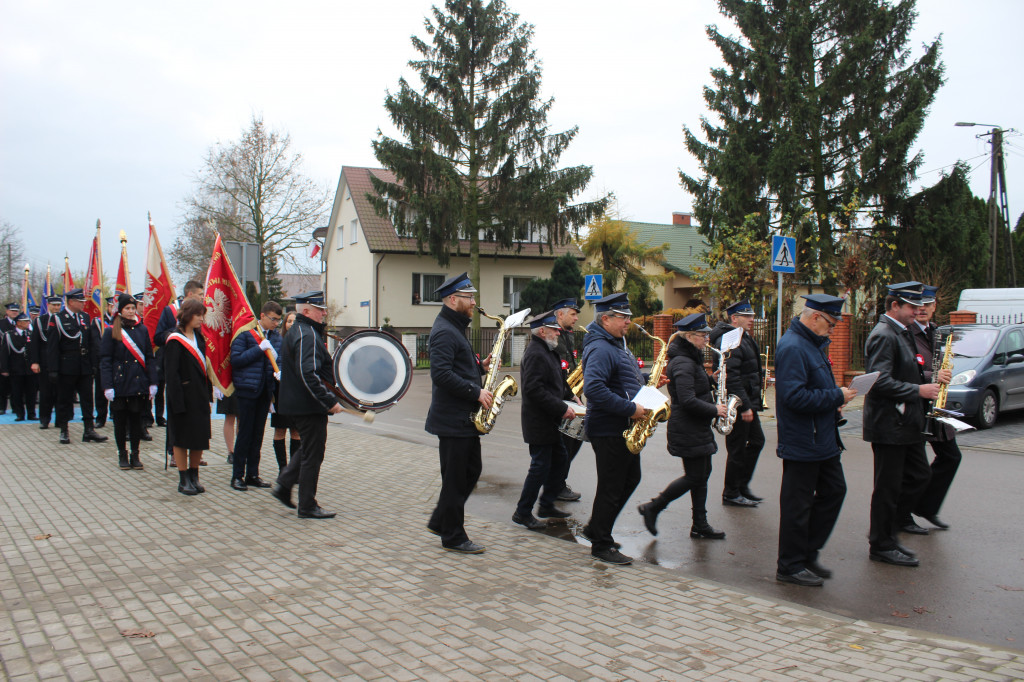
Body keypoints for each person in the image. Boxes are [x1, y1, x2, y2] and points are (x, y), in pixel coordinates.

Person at [864, 281, 950, 567]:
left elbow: (910, 369)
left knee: (919, 476)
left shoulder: (901, 332)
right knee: (887, 487)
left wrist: (930, 380)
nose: (919, 310)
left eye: (920, 305)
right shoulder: (884, 334)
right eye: (912, 306)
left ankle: (893, 529)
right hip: (889, 424)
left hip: (906, 422)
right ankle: (882, 543)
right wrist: (918, 391)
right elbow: (879, 381)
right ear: (894, 306)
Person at [774, 295, 858, 586]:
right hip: (803, 440)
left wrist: (833, 401)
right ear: (815, 318)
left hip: (821, 437)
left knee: (835, 491)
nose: (833, 330)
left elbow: (814, 388)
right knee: (797, 506)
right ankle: (790, 565)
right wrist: (836, 396)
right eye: (831, 324)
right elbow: (793, 397)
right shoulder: (794, 347)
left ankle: (807, 554)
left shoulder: (812, 343)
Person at [581, 292, 661, 566]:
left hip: (621, 427)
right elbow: (594, 388)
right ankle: (601, 544)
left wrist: (650, 381)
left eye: (628, 316)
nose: (629, 321)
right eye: (623, 317)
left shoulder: (616, 344)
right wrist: (630, 409)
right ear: (606, 318)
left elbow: (623, 381)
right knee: (611, 486)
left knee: (628, 479)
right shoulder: (601, 347)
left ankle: (597, 528)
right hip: (609, 428)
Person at [638, 313, 728, 540]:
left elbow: (693, 388)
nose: (707, 339)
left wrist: (711, 380)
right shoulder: (682, 362)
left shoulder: (691, 359)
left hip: (696, 427)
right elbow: (686, 400)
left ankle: (700, 524)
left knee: (702, 474)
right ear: (689, 336)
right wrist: (715, 410)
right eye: (702, 335)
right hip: (688, 428)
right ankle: (654, 507)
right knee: (695, 476)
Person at [424, 273, 493, 553]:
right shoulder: (444, 331)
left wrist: (482, 367)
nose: (474, 302)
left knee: (471, 470)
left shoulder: (454, 327)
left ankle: (442, 520)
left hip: (462, 419)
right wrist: (476, 392)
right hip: (452, 419)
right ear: (453, 299)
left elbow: (458, 367)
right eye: (469, 298)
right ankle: (453, 536)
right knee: (455, 478)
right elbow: (441, 374)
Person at [271, 291, 342, 519]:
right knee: (313, 454)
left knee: (308, 449)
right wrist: (329, 401)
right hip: (308, 405)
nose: (324, 313)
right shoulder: (307, 334)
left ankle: (284, 485)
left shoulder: (301, 331)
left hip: (302, 404)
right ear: (307, 311)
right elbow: (307, 373)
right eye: (320, 310)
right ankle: (307, 505)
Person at [512, 311, 577, 531]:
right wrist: (561, 407)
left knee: (560, 460)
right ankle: (523, 512)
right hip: (538, 421)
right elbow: (533, 389)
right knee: (539, 466)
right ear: (542, 331)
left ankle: (547, 504)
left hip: (549, 421)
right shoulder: (536, 353)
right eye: (554, 329)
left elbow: (557, 381)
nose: (558, 333)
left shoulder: (548, 351)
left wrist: (570, 396)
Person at [909, 284, 962, 532]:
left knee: (951, 456)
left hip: (935, 404)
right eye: (918, 305)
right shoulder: (906, 332)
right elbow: (907, 370)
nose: (923, 310)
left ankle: (927, 507)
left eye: (927, 305)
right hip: (913, 404)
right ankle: (903, 516)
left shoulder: (936, 332)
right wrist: (934, 375)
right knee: (911, 466)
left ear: (934, 307)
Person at [709, 299, 766, 507]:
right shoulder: (729, 338)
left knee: (756, 442)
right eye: (747, 316)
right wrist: (745, 406)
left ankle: (741, 485)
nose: (752, 319)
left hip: (745, 400)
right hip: (737, 403)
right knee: (738, 448)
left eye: (752, 315)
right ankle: (732, 492)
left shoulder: (742, 336)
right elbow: (731, 376)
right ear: (735, 318)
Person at [229, 301, 283, 491]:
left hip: (265, 391)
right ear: (262, 316)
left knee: (258, 434)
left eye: (278, 320)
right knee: (244, 433)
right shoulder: (246, 333)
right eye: (273, 319)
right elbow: (236, 360)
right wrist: (258, 349)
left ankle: (253, 474)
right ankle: (237, 475)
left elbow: (280, 359)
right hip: (247, 389)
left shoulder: (276, 337)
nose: (276, 323)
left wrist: (280, 371)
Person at [100, 294, 158, 470]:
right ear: (120, 310)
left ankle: (135, 453)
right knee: (120, 421)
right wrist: (107, 386)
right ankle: (122, 454)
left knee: (136, 421)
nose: (131, 311)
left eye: (133, 308)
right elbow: (105, 360)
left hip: (138, 382)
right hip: (119, 383)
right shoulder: (111, 330)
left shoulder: (142, 330)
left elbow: (149, 357)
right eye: (128, 308)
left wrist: (153, 382)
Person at [164, 298, 212, 495]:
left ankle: (194, 475)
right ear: (187, 315)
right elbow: (171, 373)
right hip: (182, 395)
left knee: (199, 437)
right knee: (182, 438)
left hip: (199, 395)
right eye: (198, 315)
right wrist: (176, 401)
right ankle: (183, 479)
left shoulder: (199, 338)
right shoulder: (174, 339)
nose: (201, 319)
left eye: (203, 315)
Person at [47, 289, 107, 445]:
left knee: (87, 398)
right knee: (65, 399)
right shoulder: (58, 319)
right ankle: (64, 430)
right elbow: (53, 347)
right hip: (66, 365)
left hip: (84, 364)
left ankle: (89, 430)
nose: (83, 304)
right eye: (80, 301)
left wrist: (94, 364)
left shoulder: (85, 318)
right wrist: (53, 369)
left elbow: (92, 343)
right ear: (71, 302)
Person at [156, 283, 203, 465]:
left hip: (196, 391)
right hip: (181, 386)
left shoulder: (199, 335)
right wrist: (177, 333)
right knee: (180, 431)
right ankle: (176, 456)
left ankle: (194, 469)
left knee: (198, 433)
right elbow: (158, 337)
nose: (202, 297)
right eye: (199, 294)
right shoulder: (169, 312)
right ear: (190, 294)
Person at [552, 298, 584, 502]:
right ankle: (556, 484)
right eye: (573, 314)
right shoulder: (554, 336)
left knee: (575, 441)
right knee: (564, 444)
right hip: (562, 398)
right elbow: (556, 372)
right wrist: (569, 394)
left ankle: (557, 481)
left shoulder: (568, 336)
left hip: (573, 396)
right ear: (560, 314)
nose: (576, 317)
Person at [271, 311, 301, 473]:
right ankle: (282, 468)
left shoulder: (302, 341)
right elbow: (273, 360)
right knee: (280, 430)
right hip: (281, 391)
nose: (291, 324)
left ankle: (293, 470)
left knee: (296, 432)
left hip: (296, 394)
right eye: (288, 321)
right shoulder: (278, 340)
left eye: (294, 321)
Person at [30, 296, 63, 429]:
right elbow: (34, 344)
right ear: (48, 305)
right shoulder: (40, 321)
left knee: (60, 393)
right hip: (44, 362)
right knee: (46, 393)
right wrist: (35, 361)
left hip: (60, 362)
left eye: (58, 305)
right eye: (54, 305)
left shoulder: (62, 320)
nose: (56, 308)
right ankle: (45, 419)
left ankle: (60, 420)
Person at [0, 312, 37, 421]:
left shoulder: (31, 334)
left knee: (31, 393)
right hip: (16, 369)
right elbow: (4, 354)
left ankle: (32, 413)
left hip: (30, 369)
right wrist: (4, 369)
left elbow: (35, 351)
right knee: (17, 393)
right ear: (19, 323)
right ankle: (20, 414)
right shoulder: (9, 335)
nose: (28, 323)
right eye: (25, 321)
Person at [91, 296, 114, 429]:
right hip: (103, 360)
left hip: (117, 361)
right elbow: (96, 342)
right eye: (111, 306)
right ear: (107, 307)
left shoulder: (119, 321)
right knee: (101, 391)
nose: (113, 309)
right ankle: (101, 417)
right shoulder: (98, 321)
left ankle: (114, 414)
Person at [0, 302, 21, 415]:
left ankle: (16, 407)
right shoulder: (1, 324)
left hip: (17, 359)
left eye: (16, 311)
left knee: (16, 387)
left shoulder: (21, 323)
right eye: (12, 310)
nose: (14, 312)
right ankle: (2, 407)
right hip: (4, 358)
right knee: (2, 385)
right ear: (7, 312)